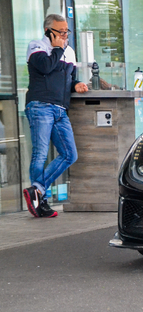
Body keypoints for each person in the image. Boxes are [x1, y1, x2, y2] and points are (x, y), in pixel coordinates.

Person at [22, 14, 88, 218]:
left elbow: (69, 76)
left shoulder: (69, 51)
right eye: (60, 31)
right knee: (40, 154)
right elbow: (46, 67)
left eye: (66, 31)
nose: (65, 35)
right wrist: (57, 48)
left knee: (70, 154)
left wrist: (76, 83)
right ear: (48, 31)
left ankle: (37, 190)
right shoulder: (37, 46)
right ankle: (40, 202)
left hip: (60, 109)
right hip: (40, 105)